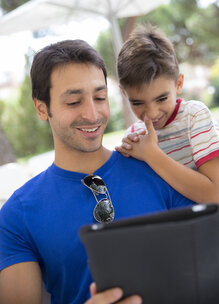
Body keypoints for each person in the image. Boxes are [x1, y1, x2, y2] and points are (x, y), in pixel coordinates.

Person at [0, 39, 194, 304]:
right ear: (41, 108)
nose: (92, 114)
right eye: (73, 102)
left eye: (100, 97)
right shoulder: (16, 215)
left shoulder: (160, 170)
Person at [116, 23, 219, 204]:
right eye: (138, 103)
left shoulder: (194, 117)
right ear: (125, 94)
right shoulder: (135, 137)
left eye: (161, 98)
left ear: (178, 84)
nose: (152, 113)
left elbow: (214, 195)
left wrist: (151, 154)